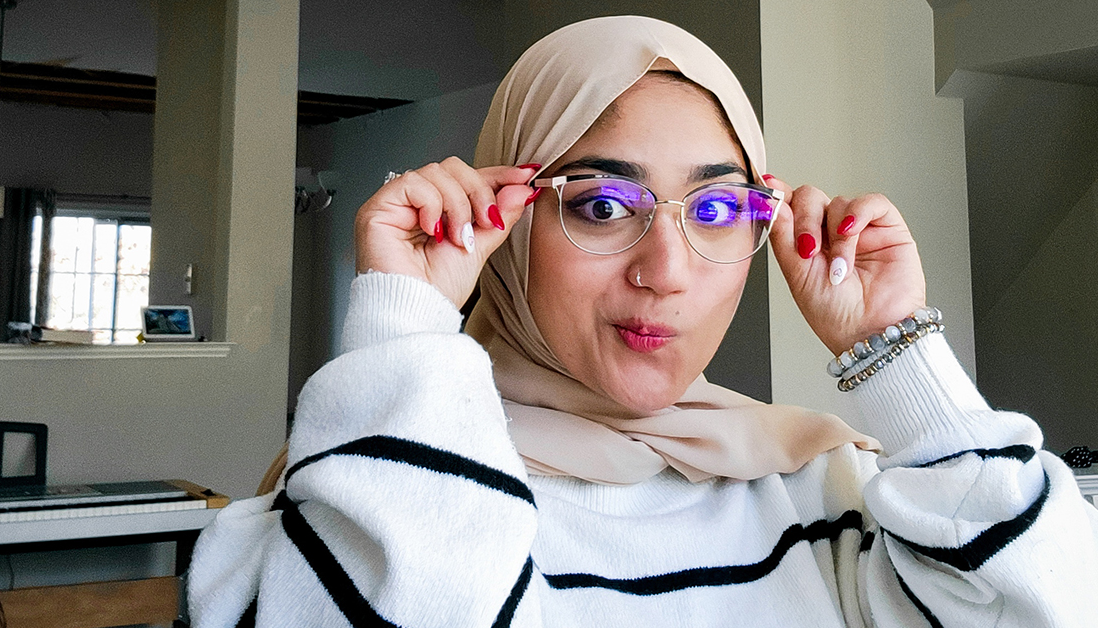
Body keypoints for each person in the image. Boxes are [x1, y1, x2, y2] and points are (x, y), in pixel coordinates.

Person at [187, 15, 1098, 627]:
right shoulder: (349, 506)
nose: (664, 274)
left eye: (713, 212)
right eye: (600, 205)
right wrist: (406, 329)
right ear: (506, 223)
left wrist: (894, 350)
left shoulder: (829, 495)